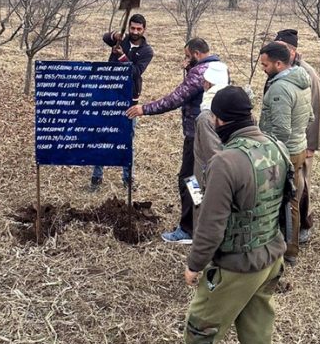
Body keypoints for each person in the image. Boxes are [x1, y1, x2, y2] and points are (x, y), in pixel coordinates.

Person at [154, 86, 288, 344]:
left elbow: (212, 225)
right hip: (270, 258)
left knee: (200, 327)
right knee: (258, 336)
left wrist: (194, 265)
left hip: (236, 265)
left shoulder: (226, 162)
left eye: (213, 117)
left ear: (220, 119)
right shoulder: (277, 146)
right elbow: (290, 204)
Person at [127, 38, 220, 244]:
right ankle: (200, 222)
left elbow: (176, 98)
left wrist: (144, 109)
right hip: (213, 133)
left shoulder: (200, 72)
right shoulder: (218, 67)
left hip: (197, 135)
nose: (185, 59)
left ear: (196, 54)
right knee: (200, 179)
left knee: (189, 179)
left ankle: (189, 228)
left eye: (188, 56)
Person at [258, 42, 313, 265]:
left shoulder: (280, 88)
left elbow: (281, 130)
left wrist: (266, 148)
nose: (263, 68)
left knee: (281, 201)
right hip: (298, 147)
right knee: (293, 199)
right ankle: (289, 248)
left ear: (279, 64)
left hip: (283, 153)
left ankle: (286, 251)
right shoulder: (301, 81)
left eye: (265, 64)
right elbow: (310, 117)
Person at [90, 14, 154, 192]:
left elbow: (136, 72)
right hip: (108, 95)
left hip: (129, 100)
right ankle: (96, 177)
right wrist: (115, 36)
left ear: (144, 30)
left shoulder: (147, 51)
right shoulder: (123, 40)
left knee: (127, 138)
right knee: (102, 136)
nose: (134, 32)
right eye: (132, 28)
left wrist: (122, 57)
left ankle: (127, 179)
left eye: (138, 29)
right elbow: (104, 37)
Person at [273, 29, 320, 244]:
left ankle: (305, 224)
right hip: (284, 140)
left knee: (302, 185)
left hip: (302, 142)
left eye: (283, 49)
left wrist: (312, 145)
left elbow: (316, 110)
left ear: (293, 51)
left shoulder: (308, 74)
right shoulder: (281, 69)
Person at [193, 61, 230, 191]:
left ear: (208, 84)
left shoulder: (205, 116)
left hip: (205, 177)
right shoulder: (234, 105)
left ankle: (196, 210)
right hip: (217, 174)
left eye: (204, 82)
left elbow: (212, 154)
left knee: (199, 205)